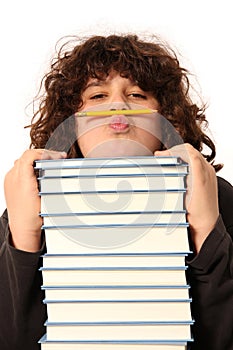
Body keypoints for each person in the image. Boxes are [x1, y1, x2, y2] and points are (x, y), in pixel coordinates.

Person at [0, 33, 232, 350]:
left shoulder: (218, 198)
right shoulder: (28, 202)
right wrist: (24, 237)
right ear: (71, 123)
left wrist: (207, 232)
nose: (117, 106)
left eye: (137, 95)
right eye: (96, 96)